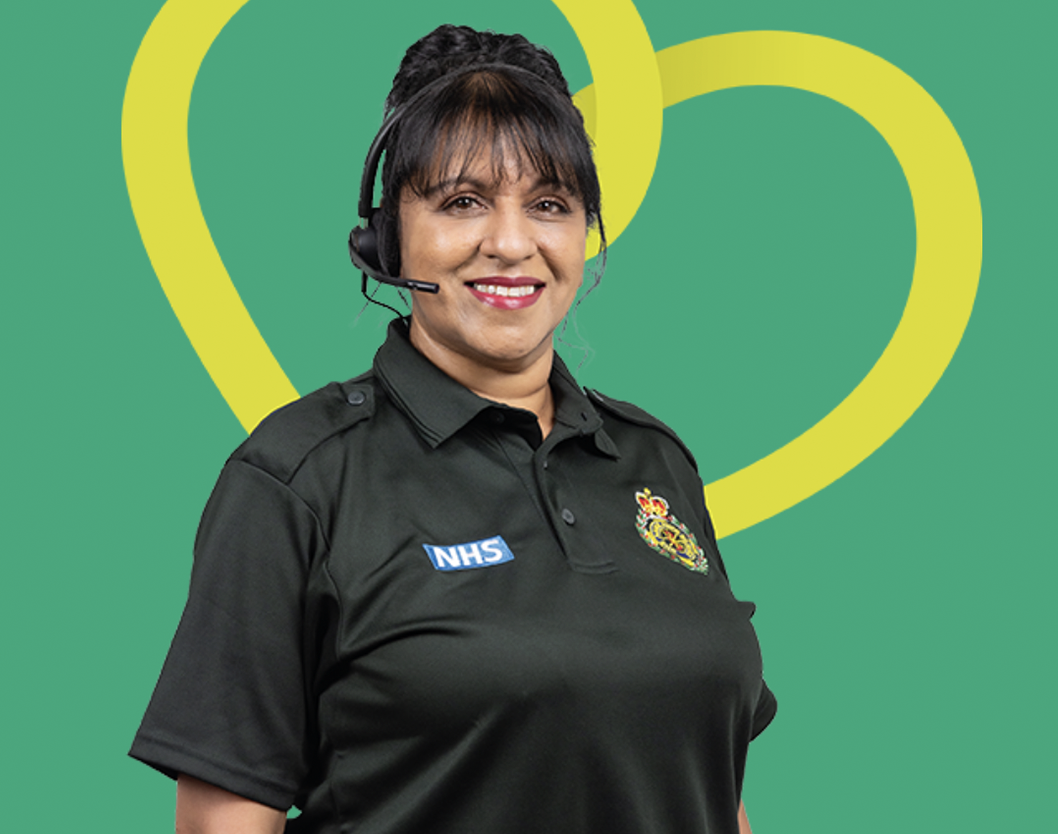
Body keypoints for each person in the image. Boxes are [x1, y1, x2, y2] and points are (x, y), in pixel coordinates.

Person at [130, 24, 776, 834]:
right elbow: (225, 821)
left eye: (549, 205)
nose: (511, 244)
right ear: (388, 233)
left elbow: (716, 790)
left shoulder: (655, 460)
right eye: (462, 202)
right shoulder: (298, 480)